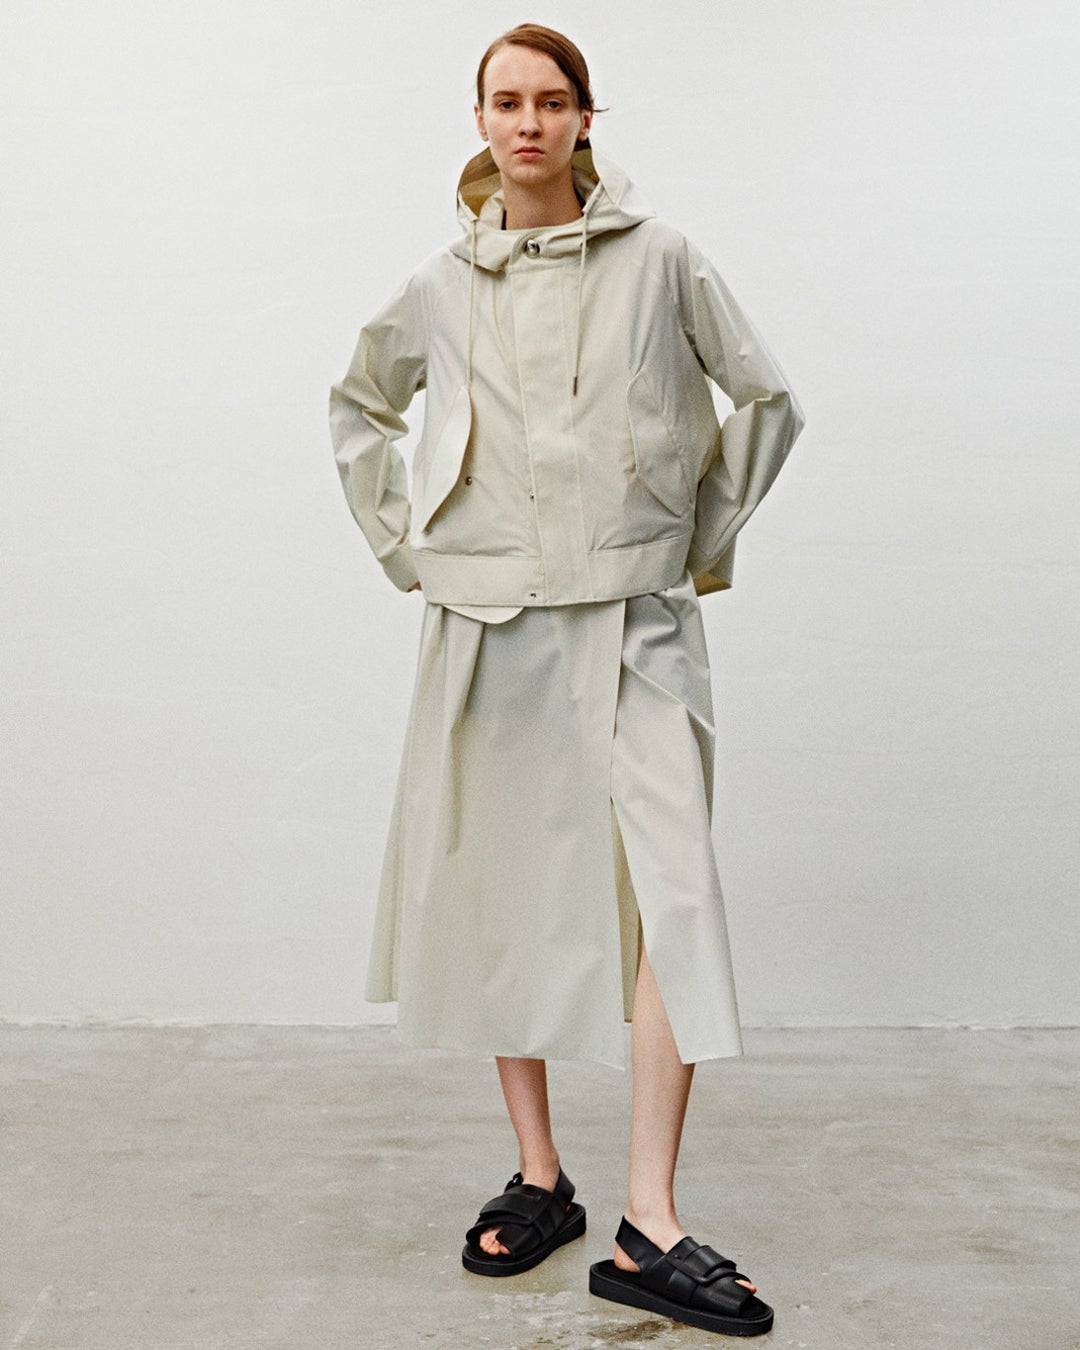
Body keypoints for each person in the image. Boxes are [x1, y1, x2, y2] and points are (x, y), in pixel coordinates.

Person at [330, 23, 804, 1338]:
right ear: (480, 120)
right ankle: (542, 1175)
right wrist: (409, 548)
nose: (528, 122)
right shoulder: (441, 283)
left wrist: (690, 540)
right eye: (507, 101)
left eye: (551, 101)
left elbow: (766, 402)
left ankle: (653, 1218)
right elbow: (358, 405)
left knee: (673, 898)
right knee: (508, 891)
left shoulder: (663, 260)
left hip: (636, 617)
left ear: (588, 117)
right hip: (488, 617)